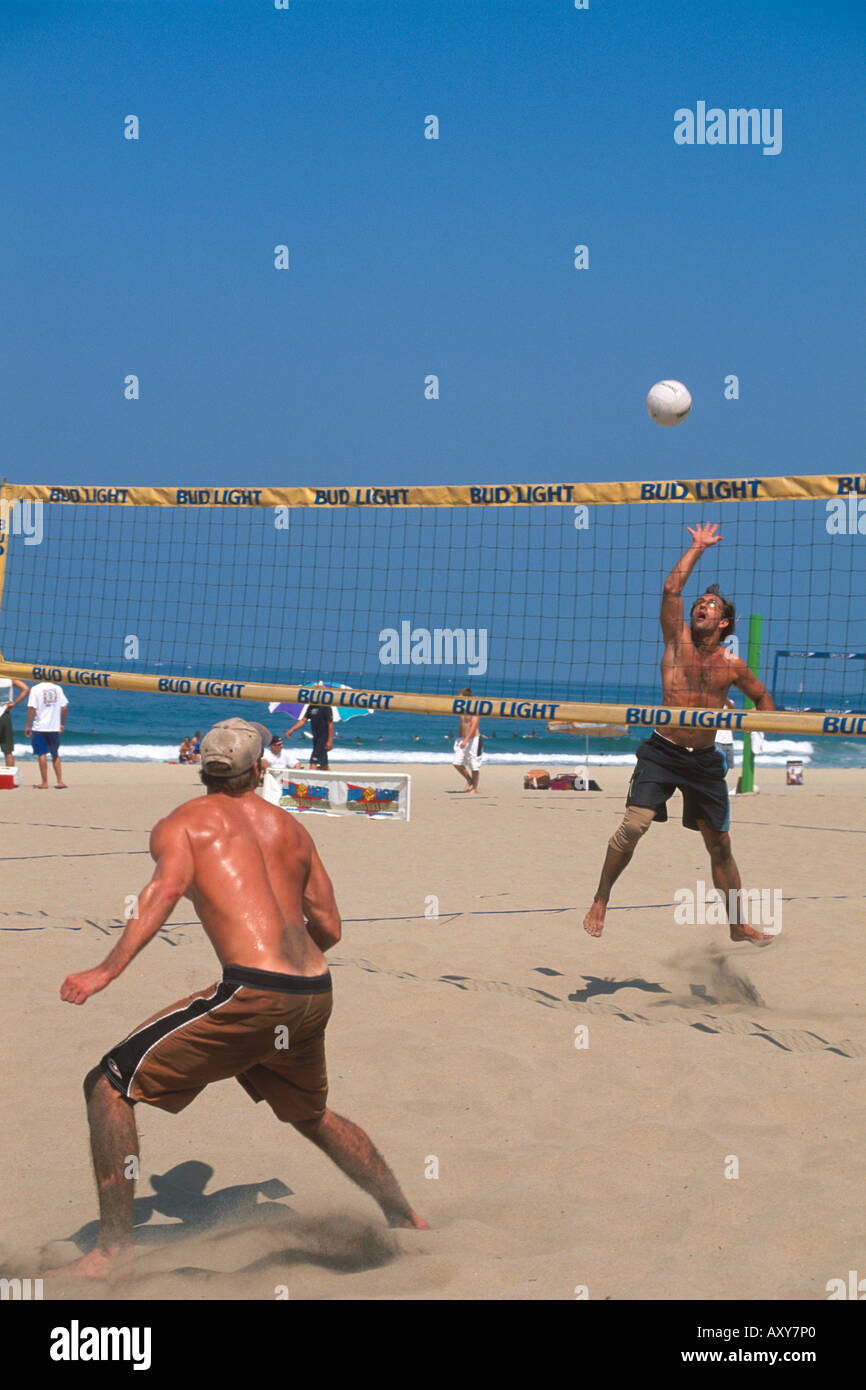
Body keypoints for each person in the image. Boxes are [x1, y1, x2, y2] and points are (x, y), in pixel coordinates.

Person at [48, 717, 426, 1279]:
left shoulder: (182, 823)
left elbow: (165, 891)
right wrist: (287, 967)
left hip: (256, 993)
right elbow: (329, 925)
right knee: (312, 1114)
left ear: (203, 767)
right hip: (314, 991)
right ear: (260, 768)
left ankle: (111, 1250)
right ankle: (405, 1218)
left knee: (107, 1085)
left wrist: (106, 971)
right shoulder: (291, 829)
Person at [583, 523, 775, 946]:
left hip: (705, 761)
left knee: (720, 845)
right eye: (699, 603)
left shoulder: (732, 665)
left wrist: (757, 730)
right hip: (663, 750)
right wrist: (697, 547)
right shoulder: (677, 642)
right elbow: (672, 591)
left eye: (710, 605)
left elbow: (764, 701)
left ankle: (737, 925)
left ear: (724, 622)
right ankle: (601, 898)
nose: (700, 607)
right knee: (634, 827)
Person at [25, 678, 68, 789]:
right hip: (53, 727)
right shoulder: (58, 688)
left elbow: (32, 708)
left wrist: (27, 725)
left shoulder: (35, 689)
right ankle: (60, 781)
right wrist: (62, 724)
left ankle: (45, 782)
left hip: (40, 727)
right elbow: (64, 708)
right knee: (55, 754)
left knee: (42, 754)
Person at [286, 701, 334, 770]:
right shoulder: (311, 706)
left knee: (313, 762)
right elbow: (303, 720)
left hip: (323, 738)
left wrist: (329, 741)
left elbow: (330, 724)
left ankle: (311, 780)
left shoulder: (325, 707)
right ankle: (331, 780)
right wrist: (292, 730)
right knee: (324, 765)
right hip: (316, 738)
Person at [452, 687, 483, 793]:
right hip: (462, 739)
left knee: (474, 766)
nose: (457, 697)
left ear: (465, 696)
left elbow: (473, 726)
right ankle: (469, 781)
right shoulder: (461, 708)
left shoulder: (474, 708)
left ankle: (475, 788)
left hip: (474, 740)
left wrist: (466, 740)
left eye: (459, 695)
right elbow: (462, 725)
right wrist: (459, 738)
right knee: (456, 763)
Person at [0, 674, 29, 773]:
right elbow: (26, 689)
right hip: (5, 714)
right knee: (8, 751)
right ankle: (10, 777)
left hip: (4, 714)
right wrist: (14, 703)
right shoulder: (10, 679)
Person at [716, 699, 736, 774]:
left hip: (728, 741)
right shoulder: (714, 702)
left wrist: (723, 697)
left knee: (728, 766)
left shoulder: (729, 702)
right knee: (719, 765)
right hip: (717, 740)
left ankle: (719, 781)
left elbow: (732, 708)